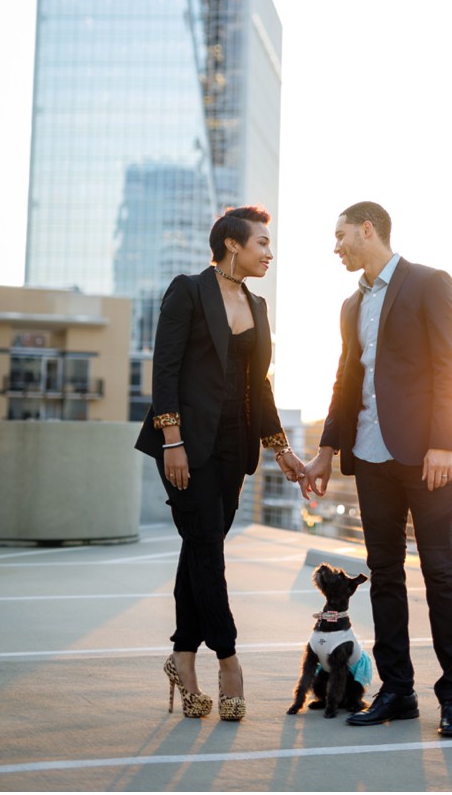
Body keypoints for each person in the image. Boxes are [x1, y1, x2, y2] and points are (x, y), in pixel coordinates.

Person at [301, 201, 452, 737]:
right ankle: (397, 690)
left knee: (440, 573)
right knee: (385, 577)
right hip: (370, 457)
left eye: (341, 235)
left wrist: (443, 441)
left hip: (426, 458)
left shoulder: (429, 282)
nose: (335, 247)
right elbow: (344, 381)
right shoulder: (351, 306)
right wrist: (327, 451)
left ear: (367, 229)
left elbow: (451, 363)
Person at [135, 205, 303, 721]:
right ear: (233, 244)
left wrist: (281, 448)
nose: (269, 253)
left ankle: (181, 658)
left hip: (234, 447)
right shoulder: (188, 290)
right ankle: (228, 662)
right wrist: (172, 441)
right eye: (262, 244)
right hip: (187, 445)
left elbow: (261, 385)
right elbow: (164, 368)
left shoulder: (258, 305)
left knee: (200, 549)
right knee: (208, 549)